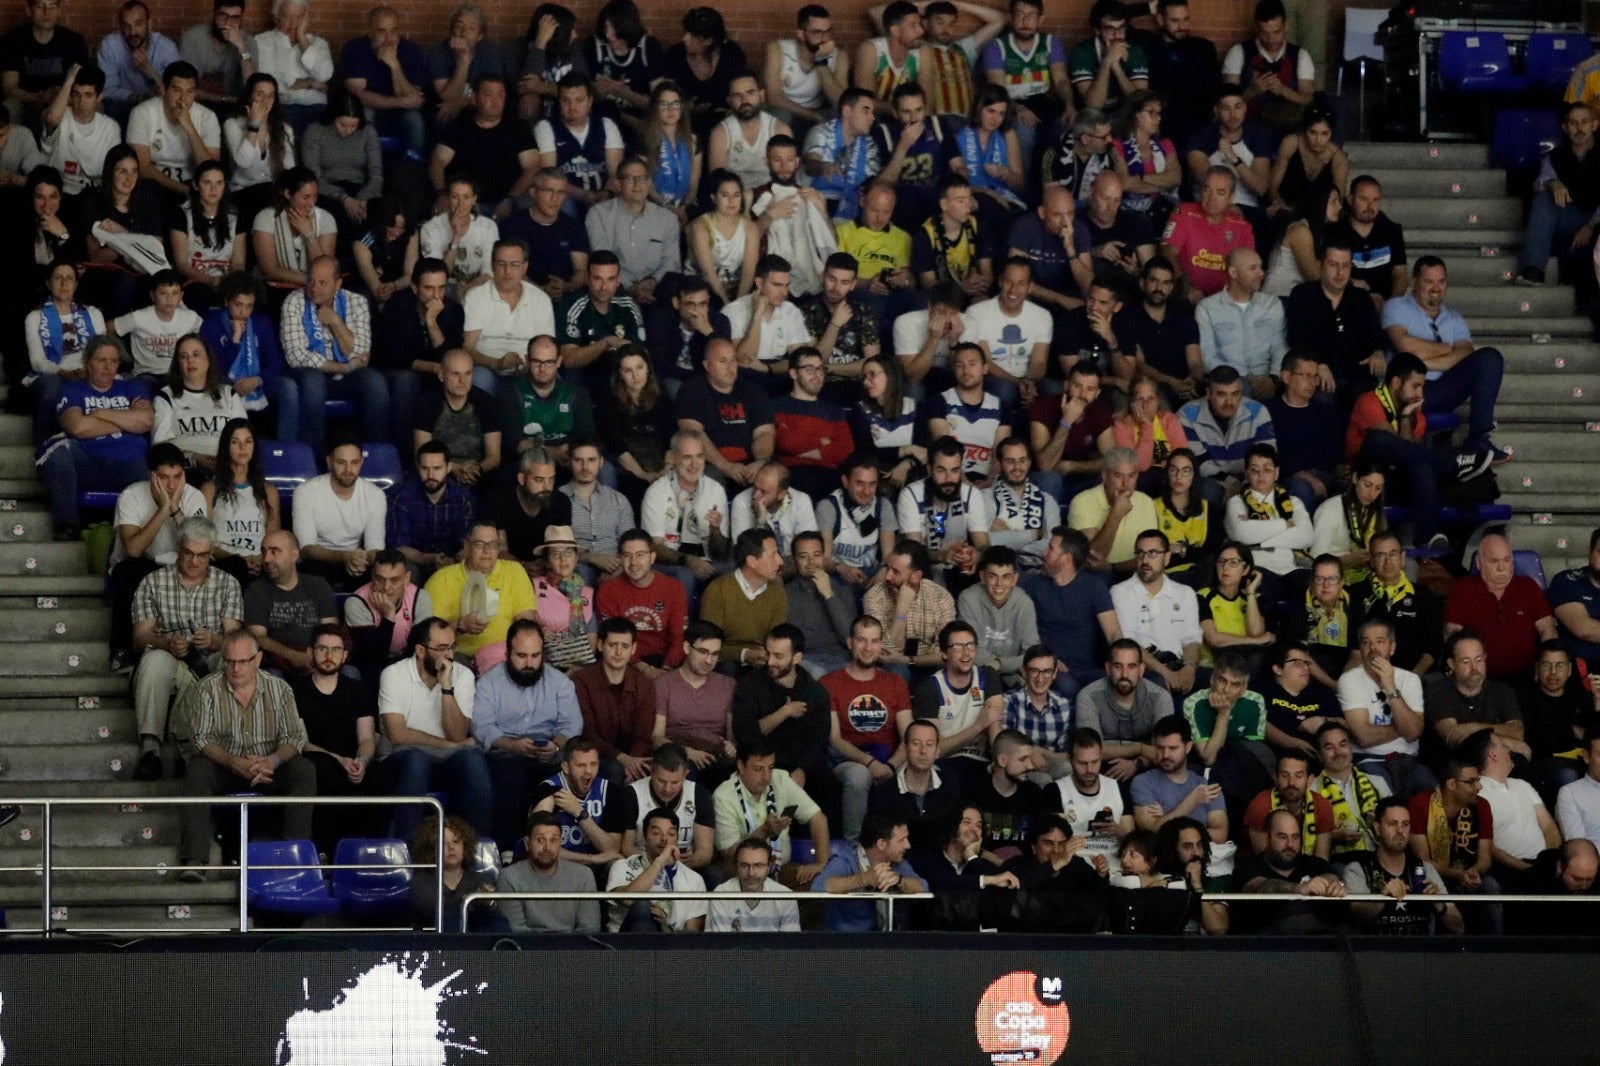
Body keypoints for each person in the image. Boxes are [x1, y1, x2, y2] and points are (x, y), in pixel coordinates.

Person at [175, 630, 312, 881]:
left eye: (242, 662)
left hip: (269, 766)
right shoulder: (207, 689)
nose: (235, 668)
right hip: (225, 766)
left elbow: (294, 738)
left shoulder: (279, 689)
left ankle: (296, 856)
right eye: (229, 661)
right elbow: (201, 739)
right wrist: (232, 762)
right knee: (197, 769)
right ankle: (194, 859)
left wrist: (272, 761)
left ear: (257, 659)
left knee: (304, 769)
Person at [129, 517, 242, 780]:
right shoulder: (153, 583)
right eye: (189, 554)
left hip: (208, 656)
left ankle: (200, 749)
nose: (194, 562)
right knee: (153, 661)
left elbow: (235, 638)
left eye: (202, 556)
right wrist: (165, 643)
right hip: (169, 654)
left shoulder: (228, 584)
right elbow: (141, 636)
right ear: (179, 549)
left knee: (231, 662)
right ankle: (150, 749)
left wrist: (214, 641)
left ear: (211, 553)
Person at [1382, 257, 1507, 462]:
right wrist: (1447, 350)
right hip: (1408, 392)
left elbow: (1466, 353)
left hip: (1443, 388)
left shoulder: (1454, 318)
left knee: (1490, 358)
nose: (1436, 287)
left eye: (1441, 281)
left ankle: (1478, 441)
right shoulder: (1396, 307)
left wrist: (1422, 361)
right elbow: (1404, 346)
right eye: (1429, 281)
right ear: (1414, 282)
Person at [379, 616, 490, 839]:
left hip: (448, 760)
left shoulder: (462, 675)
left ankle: (476, 847)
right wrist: (449, 745)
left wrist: (446, 687)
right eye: (441, 648)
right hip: (401, 759)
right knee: (416, 761)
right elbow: (398, 734)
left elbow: (458, 733)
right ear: (420, 650)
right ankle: (406, 849)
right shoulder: (394, 674)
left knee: (473, 761)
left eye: (452, 647)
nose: (449, 655)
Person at [105, 442, 210, 674]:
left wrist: (176, 511)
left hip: (178, 568)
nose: (171, 485)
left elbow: (200, 547)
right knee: (128, 570)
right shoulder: (131, 495)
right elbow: (133, 549)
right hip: (140, 567)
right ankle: (122, 651)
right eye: (163, 478)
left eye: (177, 476)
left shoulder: (194, 497)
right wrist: (163, 510)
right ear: (151, 476)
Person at [290, 622, 381, 851]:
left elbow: (367, 739)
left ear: (345, 655)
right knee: (321, 767)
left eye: (336, 650)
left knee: (378, 773)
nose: (329, 655)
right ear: (311, 652)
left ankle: (366, 852)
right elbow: (301, 742)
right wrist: (339, 759)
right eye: (322, 649)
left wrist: (361, 761)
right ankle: (324, 850)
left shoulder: (358, 691)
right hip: (315, 760)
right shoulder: (294, 690)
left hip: (351, 762)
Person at [279, 257, 385, 450]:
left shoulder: (357, 302)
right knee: (313, 381)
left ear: (338, 284)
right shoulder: (293, 302)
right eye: (311, 281)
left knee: (374, 381)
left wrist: (336, 322)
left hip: (345, 376)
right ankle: (312, 455)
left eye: (322, 283)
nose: (314, 288)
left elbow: (361, 353)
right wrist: (345, 366)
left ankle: (373, 455)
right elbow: (297, 357)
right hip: (308, 374)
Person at [822, 615, 912, 841]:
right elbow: (834, 739)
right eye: (861, 640)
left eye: (874, 641)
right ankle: (854, 847)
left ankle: (905, 844)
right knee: (860, 776)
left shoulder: (895, 683)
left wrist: (891, 766)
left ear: (881, 645)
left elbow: (908, 737)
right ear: (850, 642)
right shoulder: (829, 683)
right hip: (846, 760)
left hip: (889, 758)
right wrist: (870, 763)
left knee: (922, 768)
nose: (868, 648)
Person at [713, 735, 830, 888]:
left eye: (770, 768)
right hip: (743, 874)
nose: (767, 777)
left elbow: (818, 818)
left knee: (822, 880)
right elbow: (730, 856)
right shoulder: (724, 796)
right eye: (758, 769)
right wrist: (764, 831)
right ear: (741, 766)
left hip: (780, 870)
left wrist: (820, 864)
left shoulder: (781, 779)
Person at [422, 521, 537, 672]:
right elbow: (426, 638)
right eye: (479, 544)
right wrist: (460, 625)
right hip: (459, 655)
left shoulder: (514, 572)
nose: (487, 550)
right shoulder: (441, 580)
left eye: (493, 544)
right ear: (466, 546)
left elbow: (526, 623)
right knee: (449, 666)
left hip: (502, 655)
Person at [1337, 618, 1433, 796]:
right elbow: (1363, 737)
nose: (1373, 648)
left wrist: (1390, 687)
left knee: (1433, 796)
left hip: (1408, 760)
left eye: (1379, 642)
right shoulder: (1349, 679)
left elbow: (1413, 733)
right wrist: (1403, 728)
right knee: (1386, 799)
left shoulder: (1410, 680)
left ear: (1392, 647)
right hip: (1367, 759)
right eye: (1366, 643)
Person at [1444, 534, 1559, 683]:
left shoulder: (1528, 587)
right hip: (1479, 679)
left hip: (1526, 677)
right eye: (1494, 561)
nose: (1502, 568)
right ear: (1479, 563)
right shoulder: (1462, 589)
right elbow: (1452, 635)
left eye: (1506, 560)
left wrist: (1545, 668)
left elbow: (1547, 630)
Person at [910, 619, 1006, 795]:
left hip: (982, 761)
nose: (966, 654)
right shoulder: (930, 687)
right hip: (946, 763)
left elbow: (995, 730)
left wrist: (1000, 762)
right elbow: (933, 751)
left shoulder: (987, 676)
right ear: (944, 654)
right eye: (957, 647)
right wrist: (978, 726)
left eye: (970, 646)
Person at [1343, 796, 1464, 935]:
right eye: (1393, 824)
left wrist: (1439, 904)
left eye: (1405, 824)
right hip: (1375, 953)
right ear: (1377, 828)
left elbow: (1459, 928)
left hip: (1420, 952)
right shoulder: (1358, 869)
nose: (1400, 831)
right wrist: (1383, 898)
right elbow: (1356, 914)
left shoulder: (1424, 868)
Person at [1409, 752, 1501, 933]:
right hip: (1435, 875)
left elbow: (1485, 858)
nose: (1479, 787)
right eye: (1471, 782)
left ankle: (1494, 950)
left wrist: (1473, 872)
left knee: (1490, 885)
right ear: (1451, 784)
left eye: (1478, 780)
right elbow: (1422, 860)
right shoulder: (1419, 804)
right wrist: (1457, 874)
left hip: (1468, 876)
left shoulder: (1482, 806)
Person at [1516, 101, 1600, 286]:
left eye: (1584, 122)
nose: (1579, 128)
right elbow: (1539, 183)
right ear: (1565, 128)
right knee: (1542, 199)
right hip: (1571, 215)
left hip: (1595, 217)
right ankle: (1533, 270)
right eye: (1573, 123)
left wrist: (1591, 226)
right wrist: (1552, 184)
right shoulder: (1556, 156)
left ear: (1595, 125)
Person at [1111, 529, 1203, 697]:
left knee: (1222, 681)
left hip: (1181, 664)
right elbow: (1128, 643)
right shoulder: (1120, 592)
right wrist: (1166, 673)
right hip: (1145, 668)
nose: (1145, 560)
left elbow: (1192, 639)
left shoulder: (1185, 592)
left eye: (1152, 553)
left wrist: (1189, 668)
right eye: (1140, 554)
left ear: (1166, 557)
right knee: (1159, 687)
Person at [980, 0, 1073, 164]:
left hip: (1045, 102)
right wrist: (1019, 109)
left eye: (1031, 15)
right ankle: (1027, 186)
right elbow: (998, 91)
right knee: (1025, 133)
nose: (1025, 21)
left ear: (1041, 19)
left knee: (1068, 128)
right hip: (1012, 104)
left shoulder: (1051, 43)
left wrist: (1069, 105)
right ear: (1011, 18)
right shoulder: (997, 47)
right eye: (1020, 15)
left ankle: (1059, 183)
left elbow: (1061, 80)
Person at [1467, 729, 1561, 892]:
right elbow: (1488, 846)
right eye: (1503, 746)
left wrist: (1549, 860)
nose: (1509, 750)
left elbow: (1548, 826)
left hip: (1543, 867)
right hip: (1509, 871)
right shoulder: (1478, 791)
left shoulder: (1522, 785)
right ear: (1493, 755)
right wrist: (1526, 869)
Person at [678, 339, 778, 488]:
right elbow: (693, 434)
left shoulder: (754, 391)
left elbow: (765, 433)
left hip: (749, 464)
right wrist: (726, 466)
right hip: (711, 464)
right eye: (722, 361)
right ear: (707, 365)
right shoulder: (692, 391)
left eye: (733, 360)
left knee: (775, 477)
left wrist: (760, 462)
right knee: (709, 480)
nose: (730, 367)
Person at [639, 430, 730, 595]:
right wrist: (687, 560)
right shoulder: (657, 491)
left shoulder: (715, 490)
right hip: (674, 563)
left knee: (733, 569)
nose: (695, 465)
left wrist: (715, 531)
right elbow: (654, 547)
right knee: (685, 576)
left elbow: (720, 552)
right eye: (687, 457)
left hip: (708, 559)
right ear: (673, 458)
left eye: (700, 456)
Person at [1424, 629, 1529, 769]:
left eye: (1479, 660)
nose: (1474, 667)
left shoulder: (1502, 690)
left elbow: (1517, 732)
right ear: (1451, 664)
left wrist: (1473, 728)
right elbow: (1454, 737)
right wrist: (1511, 743)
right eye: (1466, 661)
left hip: (1496, 767)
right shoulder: (1437, 690)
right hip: (1454, 770)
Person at [290, 438, 385, 589]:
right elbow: (306, 549)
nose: (348, 469)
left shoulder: (375, 495)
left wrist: (363, 559)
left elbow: (374, 547)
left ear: (361, 463)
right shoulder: (306, 491)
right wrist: (344, 557)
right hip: (318, 561)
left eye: (354, 462)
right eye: (341, 462)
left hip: (356, 560)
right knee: (306, 570)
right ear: (329, 462)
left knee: (380, 573)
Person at [462, 239, 557, 389]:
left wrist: (530, 366)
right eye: (501, 264)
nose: (507, 271)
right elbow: (468, 348)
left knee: (551, 377)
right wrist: (496, 363)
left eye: (514, 265)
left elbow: (547, 347)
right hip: (487, 368)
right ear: (493, 265)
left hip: (528, 369)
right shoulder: (475, 296)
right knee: (478, 378)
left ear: (525, 267)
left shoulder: (541, 299)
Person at [895, 435, 993, 580]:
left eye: (954, 471)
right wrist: (942, 555)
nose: (949, 479)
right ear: (929, 469)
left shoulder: (971, 494)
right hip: (923, 572)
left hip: (959, 571)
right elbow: (914, 553)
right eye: (941, 471)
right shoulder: (910, 495)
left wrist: (977, 556)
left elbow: (983, 545)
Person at [1232, 809, 1344, 933]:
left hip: (1319, 946)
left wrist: (1331, 885)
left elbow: (1330, 875)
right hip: (1265, 947)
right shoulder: (1248, 867)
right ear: (1267, 838)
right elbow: (1259, 886)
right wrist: (1297, 888)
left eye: (1295, 837)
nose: (1290, 845)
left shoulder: (1313, 863)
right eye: (1282, 837)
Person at [1347, 529, 1443, 674]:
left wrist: (1410, 680)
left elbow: (1432, 650)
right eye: (1381, 555)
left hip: (1414, 676)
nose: (1388, 562)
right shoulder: (1355, 594)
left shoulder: (1423, 596)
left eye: (1393, 554)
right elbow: (1354, 649)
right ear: (1371, 561)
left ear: (1403, 558)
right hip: (1366, 679)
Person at [152, 333, 247, 480]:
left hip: (226, 469)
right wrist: (194, 458)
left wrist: (225, 460)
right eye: (184, 357)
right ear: (178, 364)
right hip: (184, 471)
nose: (190, 361)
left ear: (208, 360)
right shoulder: (166, 396)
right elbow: (160, 446)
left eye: (196, 354)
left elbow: (244, 437)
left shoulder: (228, 393)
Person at [242, 529, 337, 675]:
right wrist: (293, 656)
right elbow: (258, 638)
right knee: (271, 677)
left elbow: (331, 631)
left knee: (350, 673)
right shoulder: (256, 590)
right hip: (276, 665)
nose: (266, 559)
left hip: (317, 659)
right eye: (264, 552)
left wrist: (318, 658)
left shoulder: (318, 585)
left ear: (294, 555)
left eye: (274, 552)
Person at [573, 618, 656, 784]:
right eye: (612, 645)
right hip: (595, 757)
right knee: (614, 770)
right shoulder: (581, 680)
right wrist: (622, 759)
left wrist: (632, 764)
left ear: (633, 649)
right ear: (600, 645)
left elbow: (644, 734)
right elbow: (587, 733)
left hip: (635, 759)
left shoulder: (644, 684)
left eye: (625, 646)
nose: (618, 652)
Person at [770, 347, 860, 501]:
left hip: (830, 479)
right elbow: (785, 442)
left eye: (820, 369)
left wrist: (801, 445)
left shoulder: (834, 410)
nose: (817, 375)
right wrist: (823, 443)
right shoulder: (776, 406)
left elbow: (846, 450)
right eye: (809, 369)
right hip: (792, 477)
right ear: (793, 373)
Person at [595, 530, 688, 676]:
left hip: (663, 661)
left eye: (640, 555)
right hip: (624, 662)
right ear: (620, 558)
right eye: (627, 556)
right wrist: (644, 669)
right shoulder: (608, 590)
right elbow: (612, 639)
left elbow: (678, 636)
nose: (633, 563)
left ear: (652, 557)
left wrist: (666, 669)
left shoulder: (673, 587)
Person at [962, 257, 1051, 409]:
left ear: (1030, 287)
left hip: (1026, 378)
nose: (1013, 290)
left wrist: (1030, 383)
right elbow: (985, 363)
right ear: (1000, 281)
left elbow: (1039, 362)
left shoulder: (1042, 316)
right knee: (1005, 389)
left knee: (1052, 390)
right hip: (991, 379)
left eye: (1021, 283)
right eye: (1008, 282)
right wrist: (1017, 382)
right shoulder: (977, 313)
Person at [126, 61, 221, 204]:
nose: (183, 98)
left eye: (190, 92)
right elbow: (142, 167)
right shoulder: (142, 113)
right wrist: (182, 189)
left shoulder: (207, 117)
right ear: (164, 89)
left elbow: (210, 169)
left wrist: (189, 127)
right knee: (145, 190)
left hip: (194, 182)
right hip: (156, 181)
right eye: (177, 90)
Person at [339, 5, 427, 158]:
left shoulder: (410, 50)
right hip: (368, 109)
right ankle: (363, 164)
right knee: (366, 113)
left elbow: (416, 100)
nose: (389, 38)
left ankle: (412, 167)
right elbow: (359, 95)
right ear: (370, 31)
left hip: (400, 113)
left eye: (393, 31)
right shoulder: (355, 49)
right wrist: (402, 102)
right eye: (382, 31)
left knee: (415, 119)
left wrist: (394, 65)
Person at [1075, 638, 1167, 782]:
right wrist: (1141, 748)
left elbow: (1164, 751)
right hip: (1102, 767)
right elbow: (1090, 750)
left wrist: (1137, 763)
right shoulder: (1088, 697)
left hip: (1147, 767)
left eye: (1131, 667)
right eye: (1118, 666)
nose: (1124, 674)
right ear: (1108, 668)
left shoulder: (1160, 697)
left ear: (1141, 670)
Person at [203, 418, 282, 587]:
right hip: (225, 563)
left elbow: (274, 539)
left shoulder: (268, 491)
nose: (242, 448)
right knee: (236, 567)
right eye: (235, 442)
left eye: (248, 441)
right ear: (226, 446)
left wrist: (261, 559)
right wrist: (240, 559)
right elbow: (204, 542)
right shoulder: (210, 489)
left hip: (261, 563)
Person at [495, 810, 603, 933]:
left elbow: (590, 929)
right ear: (527, 843)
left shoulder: (584, 875)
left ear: (560, 842)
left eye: (553, 840)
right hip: (527, 950)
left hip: (573, 950)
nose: (547, 848)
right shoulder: (509, 877)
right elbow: (515, 931)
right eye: (541, 840)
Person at [815, 811, 925, 930]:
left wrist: (899, 880)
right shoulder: (847, 859)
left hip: (890, 943)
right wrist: (863, 879)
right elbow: (818, 887)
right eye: (902, 840)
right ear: (881, 844)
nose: (908, 845)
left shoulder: (898, 863)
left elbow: (923, 887)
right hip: (846, 943)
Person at [1040, 727, 1132, 869]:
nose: (1089, 770)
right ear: (1070, 759)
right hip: (1074, 867)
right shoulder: (1055, 791)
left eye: (1095, 762)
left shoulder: (1118, 788)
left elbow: (1133, 841)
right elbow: (1052, 842)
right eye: (1082, 763)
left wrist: (1118, 831)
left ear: (1101, 757)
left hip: (1117, 866)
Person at [863, 539, 958, 677]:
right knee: (896, 670)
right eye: (888, 568)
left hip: (930, 665)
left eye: (895, 571)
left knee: (947, 670)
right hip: (893, 667)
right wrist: (901, 610)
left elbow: (945, 652)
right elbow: (885, 653)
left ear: (916, 576)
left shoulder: (941, 597)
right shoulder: (874, 597)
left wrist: (909, 660)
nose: (888, 576)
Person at [605, 805, 708, 932]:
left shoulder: (694, 880)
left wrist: (666, 927)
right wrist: (660, 862)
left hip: (670, 947)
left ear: (677, 838)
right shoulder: (622, 866)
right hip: (623, 946)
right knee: (642, 905)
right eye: (656, 833)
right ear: (644, 836)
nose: (664, 839)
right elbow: (627, 899)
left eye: (671, 834)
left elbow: (691, 937)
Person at [1195, 249, 1283, 397]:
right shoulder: (1207, 308)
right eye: (1253, 268)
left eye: (1261, 268)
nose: (1261, 273)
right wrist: (1241, 379)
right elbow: (1207, 357)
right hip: (1227, 382)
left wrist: (1273, 379)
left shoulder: (1272, 304)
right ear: (1233, 273)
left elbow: (1279, 347)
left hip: (1267, 381)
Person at [1177, 365, 1276, 496]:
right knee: (1206, 489)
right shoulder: (1187, 414)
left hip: (1250, 480)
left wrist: (1245, 485)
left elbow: (1267, 457)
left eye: (1235, 394)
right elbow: (1197, 463)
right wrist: (1229, 482)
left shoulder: (1258, 412)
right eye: (1221, 394)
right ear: (1209, 393)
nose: (1229, 402)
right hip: (1212, 481)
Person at [869, 717, 963, 855]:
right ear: (905, 748)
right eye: (916, 743)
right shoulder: (885, 792)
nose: (923, 751)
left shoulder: (950, 785)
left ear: (937, 751)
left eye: (929, 744)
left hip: (942, 863)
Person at [1160, 166, 1254, 303]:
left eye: (1220, 193)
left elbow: (1247, 270)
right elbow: (1168, 252)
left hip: (1224, 303)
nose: (1211, 198)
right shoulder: (1183, 213)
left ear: (1231, 198)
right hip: (1186, 298)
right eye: (1207, 190)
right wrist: (1186, 288)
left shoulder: (1242, 227)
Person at [653, 619, 738, 770]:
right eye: (703, 652)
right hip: (677, 754)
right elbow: (656, 738)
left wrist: (731, 747)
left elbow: (731, 738)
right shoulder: (663, 684)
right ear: (686, 647)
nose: (709, 660)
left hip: (715, 754)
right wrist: (687, 752)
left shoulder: (728, 685)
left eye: (715, 654)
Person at [1222, 444, 1312, 586]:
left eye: (1267, 469)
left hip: (1294, 567)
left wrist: (1257, 541)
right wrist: (1285, 524)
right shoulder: (1236, 502)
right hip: (1257, 568)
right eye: (1254, 470)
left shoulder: (1294, 502)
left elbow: (1306, 536)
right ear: (1246, 473)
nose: (1261, 475)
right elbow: (1242, 533)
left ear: (1276, 473)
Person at [1220, 0, 1315, 135]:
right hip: (1247, 130)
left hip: (1289, 130)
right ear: (1257, 29)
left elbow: (1308, 99)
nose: (1271, 39)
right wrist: (1253, 90)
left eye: (1276, 32)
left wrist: (1283, 91)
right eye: (1265, 33)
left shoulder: (1300, 56)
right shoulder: (1238, 52)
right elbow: (1225, 102)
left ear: (1286, 26)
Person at [700, 529, 789, 670]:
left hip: (764, 663)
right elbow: (707, 645)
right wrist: (744, 654)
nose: (780, 561)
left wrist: (766, 655)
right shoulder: (718, 590)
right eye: (773, 555)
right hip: (724, 663)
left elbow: (776, 639)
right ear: (752, 561)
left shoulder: (777, 592)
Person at [926, 343, 1012, 487]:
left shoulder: (1001, 406)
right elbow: (943, 450)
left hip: (988, 484)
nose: (966, 370)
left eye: (972, 364)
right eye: (960, 365)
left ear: (984, 368)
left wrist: (989, 483)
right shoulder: (939, 402)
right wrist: (966, 485)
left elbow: (1000, 455)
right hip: (950, 482)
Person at [620, 742, 716, 869]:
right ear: (651, 772)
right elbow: (626, 848)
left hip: (684, 865)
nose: (667, 789)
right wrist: (661, 861)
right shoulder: (632, 794)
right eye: (661, 781)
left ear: (686, 774)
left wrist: (692, 859)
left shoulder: (699, 795)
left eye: (675, 782)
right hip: (642, 864)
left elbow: (705, 851)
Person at [1183, 85, 1272, 222]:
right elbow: (1205, 180)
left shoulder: (1257, 136)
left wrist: (1234, 159)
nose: (1233, 114)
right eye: (1226, 108)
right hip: (1210, 209)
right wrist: (1226, 206)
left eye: (1237, 107)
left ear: (1245, 108)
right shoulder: (1201, 137)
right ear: (1216, 111)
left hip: (1247, 210)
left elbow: (1260, 188)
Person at [343, 549, 432, 684]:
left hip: (406, 661)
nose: (386, 587)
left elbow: (421, 646)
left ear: (407, 579)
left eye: (395, 580)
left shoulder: (419, 597)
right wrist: (388, 617)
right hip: (370, 667)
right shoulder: (357, 603)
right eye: (380, 579)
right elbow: (372, 656)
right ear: (372, 577)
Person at [960, 546, 1042, 689]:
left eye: (1006, 577)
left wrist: (998, 665)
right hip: (977, 675)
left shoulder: (1024, 603)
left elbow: (1032, 653)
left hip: (1014, 676)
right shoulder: (968, 599)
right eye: (993, 576)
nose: (999, 584)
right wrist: (1013, 665)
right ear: (982, 577)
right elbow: (970, 650)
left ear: (1014, 579)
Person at [1068, 445, 1158, 574]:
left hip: (1135, 574)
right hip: (1098, 578)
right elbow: (1093, 558)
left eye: (1131, 476)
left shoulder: (1146, 502)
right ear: (1104, 476)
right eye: (1118, 475)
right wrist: (1116, 514)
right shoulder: (1082, 502)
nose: (1125, 483)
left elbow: (1151, 557)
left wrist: (1113, 568)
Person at [409, 814, 505, 934]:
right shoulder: (421, 882)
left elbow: (492, 908)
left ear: (465, 847)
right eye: (443, 843)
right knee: (450, 917)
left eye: (456, 841)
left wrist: (487, 901)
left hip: (476, 943)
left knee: (495, 920)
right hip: (434, 945)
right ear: (432, 850)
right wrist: (470, 900)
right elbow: (436, 911)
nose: (451, 847)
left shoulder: (479, 879)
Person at [1313, 718, 1389, 861]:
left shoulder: (1377, 783)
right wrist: (1332, 837)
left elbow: (1396, 824)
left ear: (1351, 747)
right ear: (1319, 755)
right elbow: (1305, 837)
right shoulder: (1312, 791)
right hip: (1337, 863)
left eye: (1342, 744)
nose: (1338, 752)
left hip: (1379, 860)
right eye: (1329, 747)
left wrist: (1379, 823)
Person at [707, 71, 794, 197]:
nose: (745, 100)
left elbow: (787, 175)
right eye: (737, 96)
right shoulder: (720, 133)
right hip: (735, 199)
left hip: (772, 195)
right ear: (729, 101)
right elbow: (718, 182)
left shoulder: (779, 129)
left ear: (761, 95)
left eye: (750, 93)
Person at [0, 0, 88, 122]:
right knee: (10, 107)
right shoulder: (12, 40)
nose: (47, 12)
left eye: (52, 6)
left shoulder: (74, 41)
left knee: (91, 106)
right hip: (26, 101)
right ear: (29, 10)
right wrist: (39, 97)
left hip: (63, 100)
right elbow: (9, 89)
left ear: (59, 11)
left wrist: (61, 97)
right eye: (40, 6)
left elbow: (84, 86)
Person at [765, 4, 851, 130]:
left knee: (844, 118)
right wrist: (812, 115)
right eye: (817, 32)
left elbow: (841, 102)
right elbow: (774, 97)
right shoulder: (777, 49)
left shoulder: (839, 56)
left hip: (819, 111)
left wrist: (821, 62)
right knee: (781, 115)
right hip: (785, 111)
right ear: (801, 34)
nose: (824, 38)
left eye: (828, 32)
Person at [253, 0, 333, 134]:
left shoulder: (318, 44)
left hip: (315, 107)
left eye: (299, 17)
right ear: (276, 17)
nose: (294, 24)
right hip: (278, 107)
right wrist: (310, 83)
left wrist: (302, 38)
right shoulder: (261, 42)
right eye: (287, 17)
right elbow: (269, 82)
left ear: (306, 18)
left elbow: (325, 75)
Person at [252, 166, 336, 288]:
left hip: (315, 290)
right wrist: (309, 281)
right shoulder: (266, 218)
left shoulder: (326, 219)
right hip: (275, 290)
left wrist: (309, 235)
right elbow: (269, 270)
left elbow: (324, 270)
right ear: (287, 194)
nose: (312, 203)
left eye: (315, 196)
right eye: (306, 197)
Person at [786, 533, 855, 678]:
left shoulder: (842, 590)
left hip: (839, 658)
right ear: (794, 560)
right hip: (804, 659)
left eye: (816, 555)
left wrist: (829, 595)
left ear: (824, 557)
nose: (811, 562)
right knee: (818, 674)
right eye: (803, 557)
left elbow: (849, 638)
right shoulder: (786, 593)